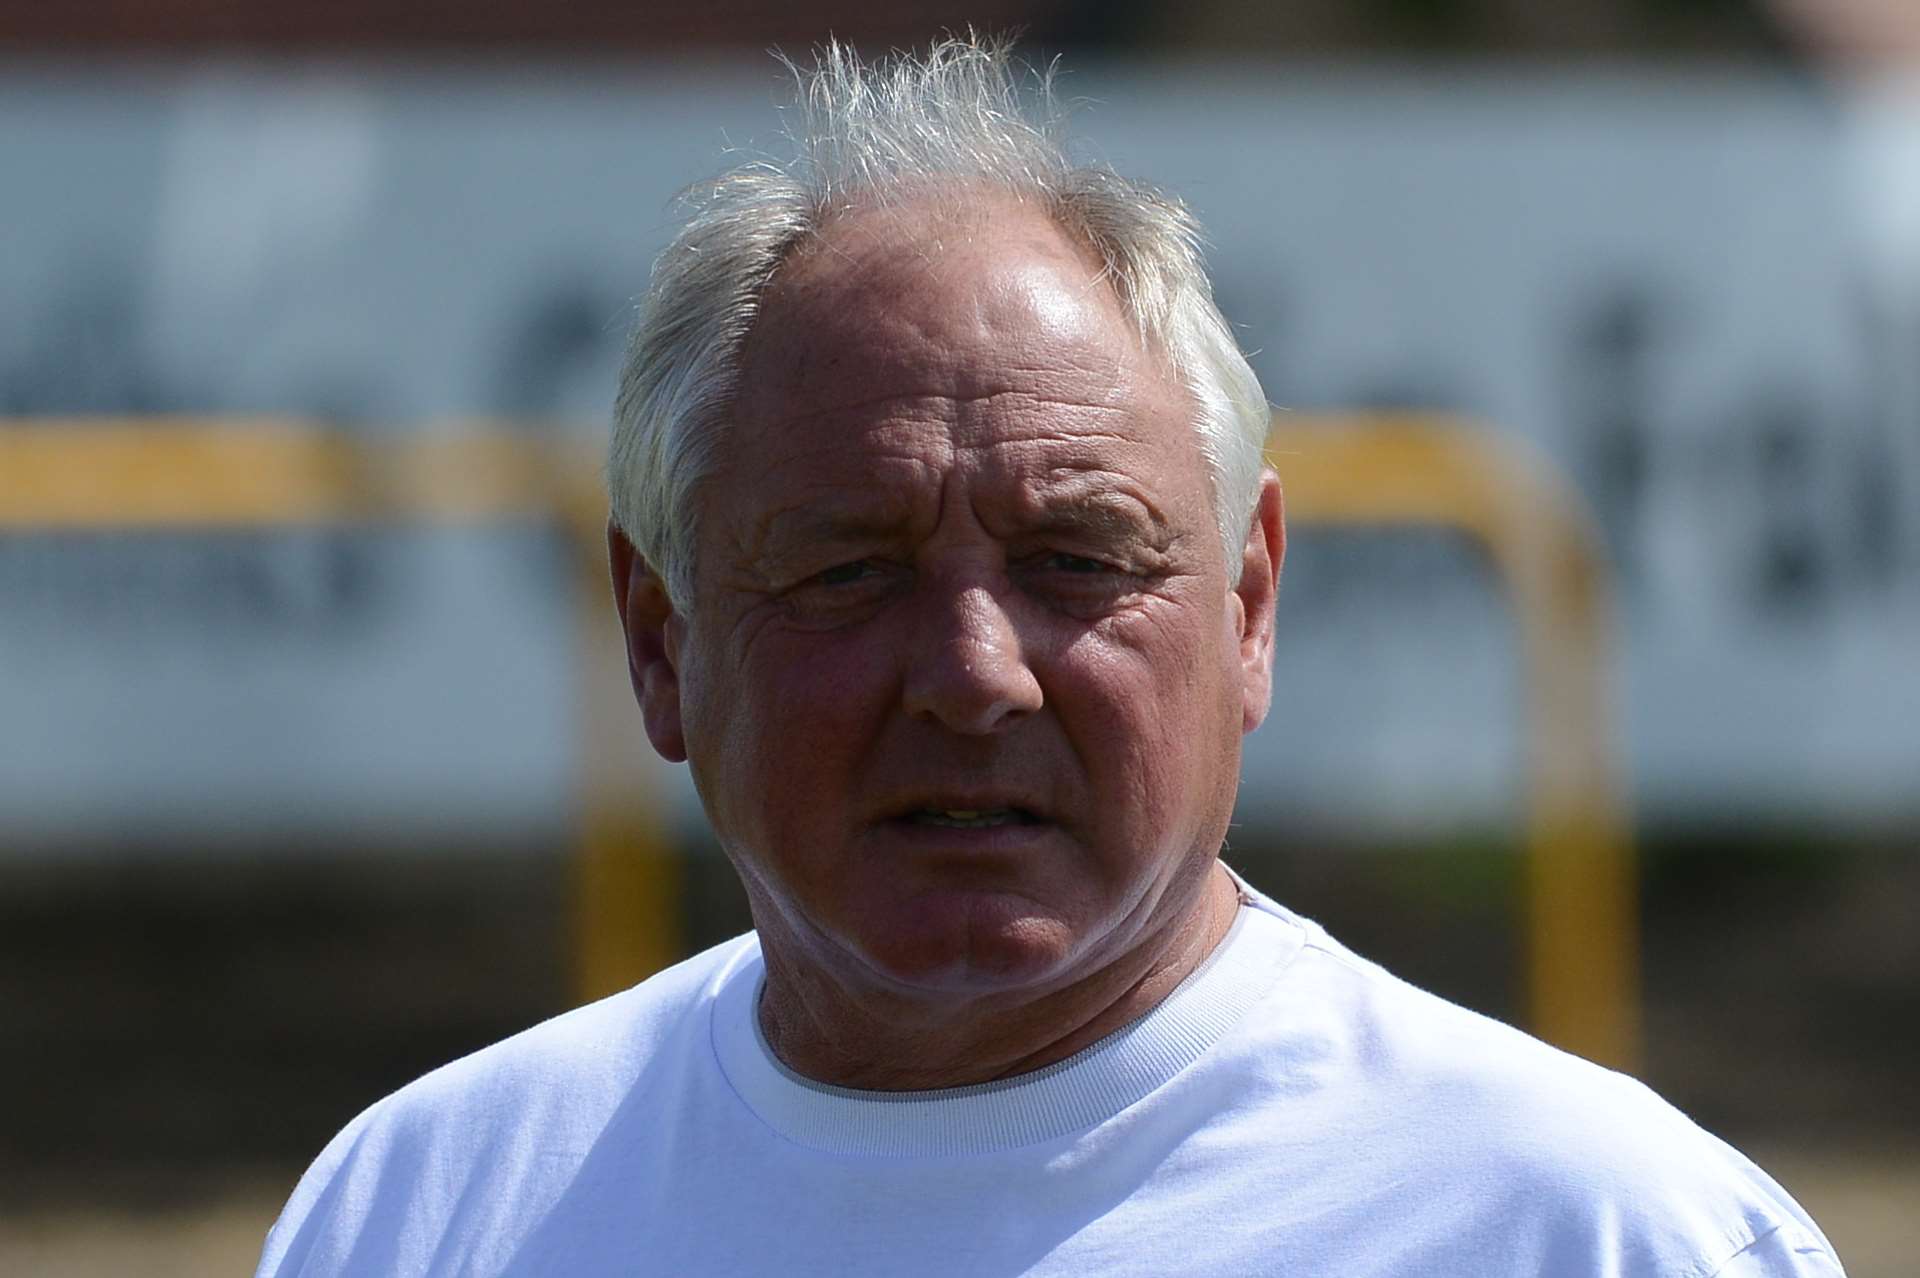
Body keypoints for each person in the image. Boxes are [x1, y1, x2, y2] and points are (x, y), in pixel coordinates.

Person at [255, 36, 1845, 1277]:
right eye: (847, 568)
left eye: (1078, 561)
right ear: (660, 643)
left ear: (1247, 608)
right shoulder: (425, 1210)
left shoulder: (1595, 1231)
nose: (973, 672)